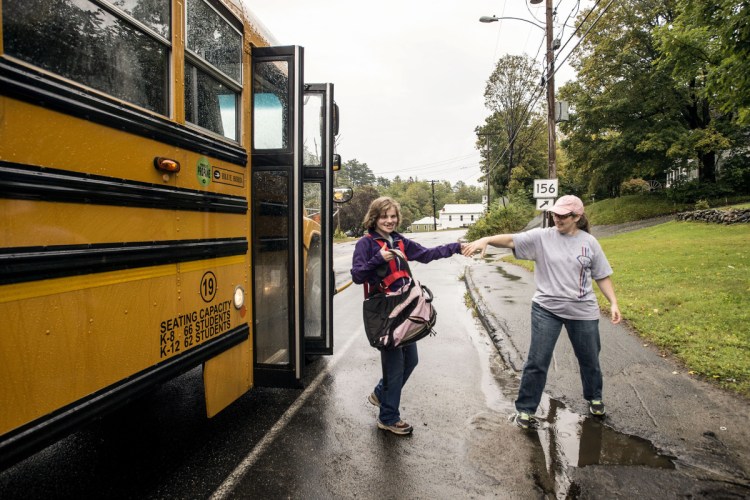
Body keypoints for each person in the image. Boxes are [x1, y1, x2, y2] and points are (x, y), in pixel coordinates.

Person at [461, 195, 621, 429]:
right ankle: (525, 410)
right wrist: (487, 239)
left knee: (589, 359)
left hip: (583, 310)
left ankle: (594, 398)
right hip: (547, 309)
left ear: (577, 217)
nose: (557, 218)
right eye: (554, 214)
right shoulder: (542, 237)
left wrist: (613, 302)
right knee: (537, 360)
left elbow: (601, 275)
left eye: (563, 215)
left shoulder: (590, 243)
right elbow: (511, 241)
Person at [351, 196, 466, 435]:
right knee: (394, 368)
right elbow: (357, 276)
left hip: (405, 310)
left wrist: (456, 247)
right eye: (384, 217)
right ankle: (388, 417)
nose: (390, 221)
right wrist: (378, 259)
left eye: (393, 216)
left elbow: (426, 254)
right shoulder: (366, 244)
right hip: (386, 315)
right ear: (374, 218)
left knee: (411, 361)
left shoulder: (399, 241)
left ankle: (381, 394)